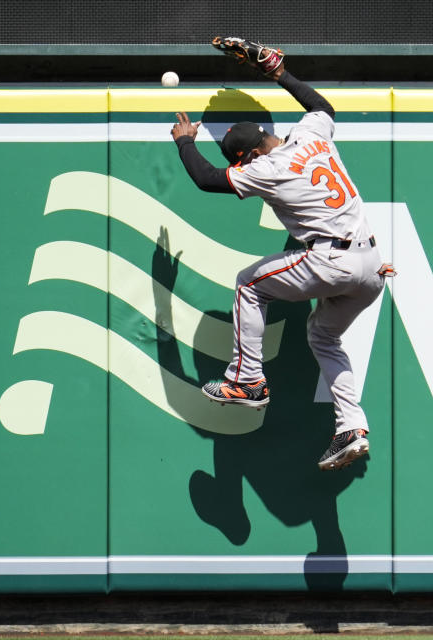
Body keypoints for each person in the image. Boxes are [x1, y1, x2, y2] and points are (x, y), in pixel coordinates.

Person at [169, 53, 388, 471]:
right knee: (324, 337)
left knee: (249, 284)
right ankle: (351, 428)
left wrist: (184, 141)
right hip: (372, 265)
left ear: (251, 152)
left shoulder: (268, 167)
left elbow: (207, 179)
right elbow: (323, 107)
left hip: (332, 261)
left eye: (241, 159)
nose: (242, 166)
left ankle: (247, 380)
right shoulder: (310, 135)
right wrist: (278, 73)